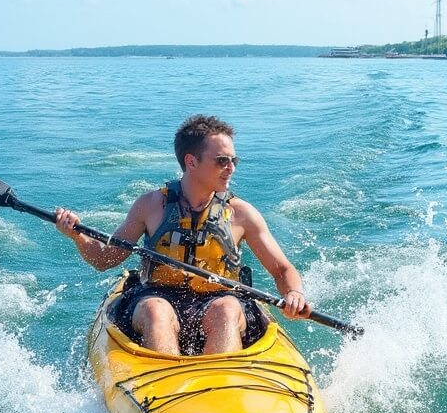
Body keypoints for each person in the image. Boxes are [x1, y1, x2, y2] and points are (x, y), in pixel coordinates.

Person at [55, 115, 312, 355]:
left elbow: (281, 269)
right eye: (222, 160)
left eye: (234, 160)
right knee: (156, 311)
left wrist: (294, 293)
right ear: (191, 161)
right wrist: (77, 235)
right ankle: (162, 394)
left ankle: (221, 386)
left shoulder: (241, 213)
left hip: (220, 299)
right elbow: (105, 259)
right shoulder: (151, 205)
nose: (231, 168)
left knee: (226, 310)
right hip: (157, 296)